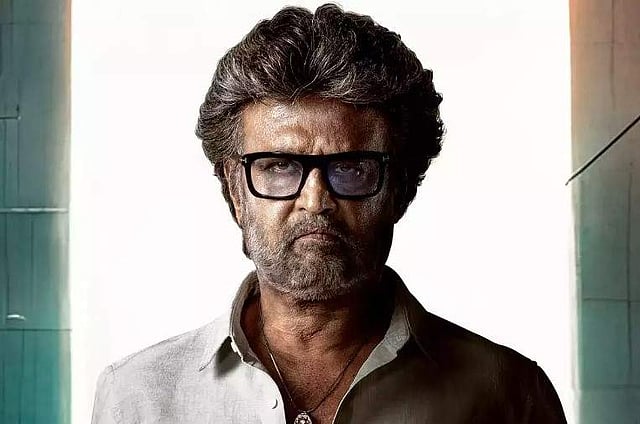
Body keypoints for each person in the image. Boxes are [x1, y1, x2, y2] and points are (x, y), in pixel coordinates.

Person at [91, 4, 567, 424]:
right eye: (278, 166)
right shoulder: (137, 398)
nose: (315, 200)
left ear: (401, 188)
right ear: (234, 191)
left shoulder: (509, 395)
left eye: (352, 168)